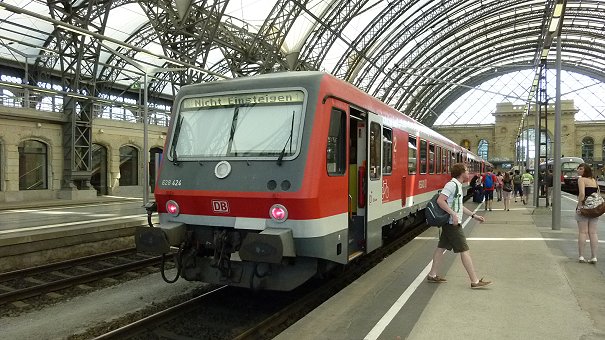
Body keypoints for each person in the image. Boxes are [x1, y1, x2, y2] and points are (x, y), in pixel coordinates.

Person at [427, 163, 493, 289]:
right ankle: (475, 281)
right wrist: (453, 214)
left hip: (451, 223)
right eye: (467, 171)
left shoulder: (457, 185)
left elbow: (459, 206)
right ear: (461, 172)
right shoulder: (451, 185)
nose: (468, 173)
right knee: (464, 250)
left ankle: (432, 274)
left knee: (441, 248)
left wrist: (474, 215)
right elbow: (440, 200)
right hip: (452, 224)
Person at [575, 163, 599, 264]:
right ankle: (594, 256)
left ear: (585, 171)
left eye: (581, 169)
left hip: (584, 208)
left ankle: (581, 256)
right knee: (593, 233)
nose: (578, 170)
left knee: (583, 232)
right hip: (594, 209)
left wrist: (579, 206)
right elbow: (597, 194)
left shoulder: (581, 179)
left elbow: (582, 194)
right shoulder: (594, 180)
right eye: (578, 169)